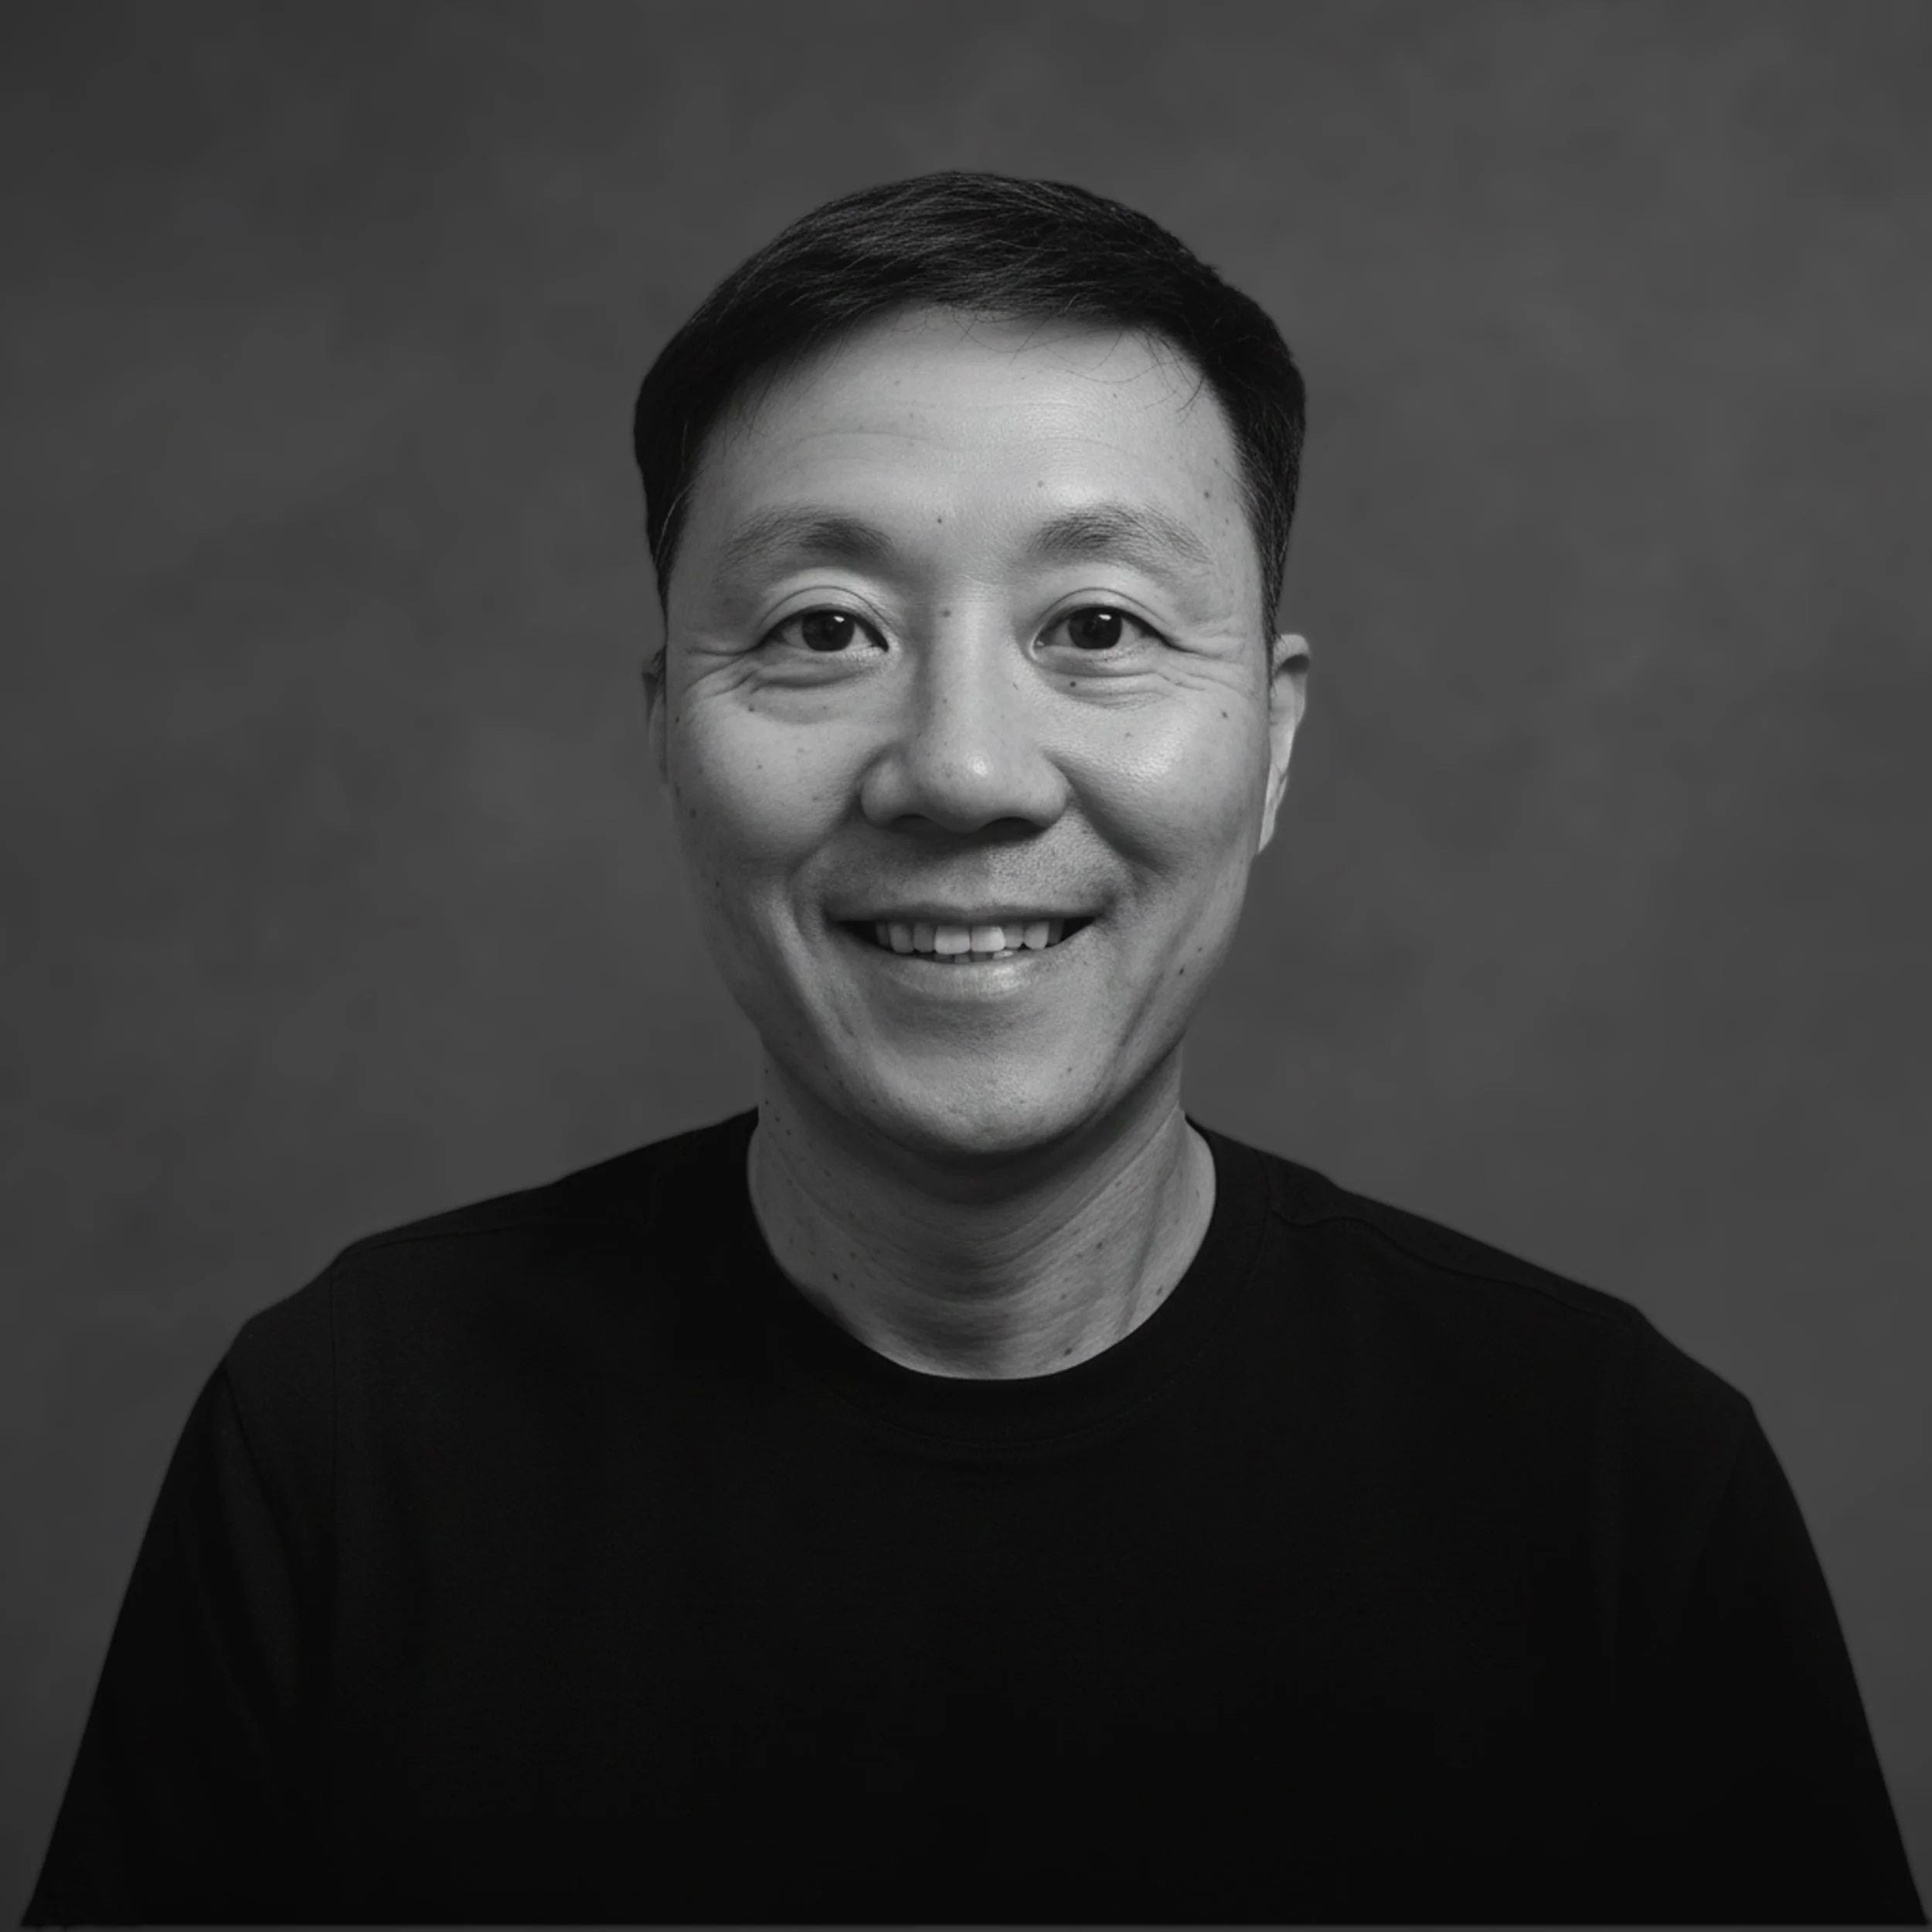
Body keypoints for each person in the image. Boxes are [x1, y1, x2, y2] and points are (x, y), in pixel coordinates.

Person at [23, 171, 1923, 1927]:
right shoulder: (352, 1446)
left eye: (1094, 622)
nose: (961, 769)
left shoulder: (1609, 1494)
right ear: (667, 728)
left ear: (1266, 744)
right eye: (823, 626)